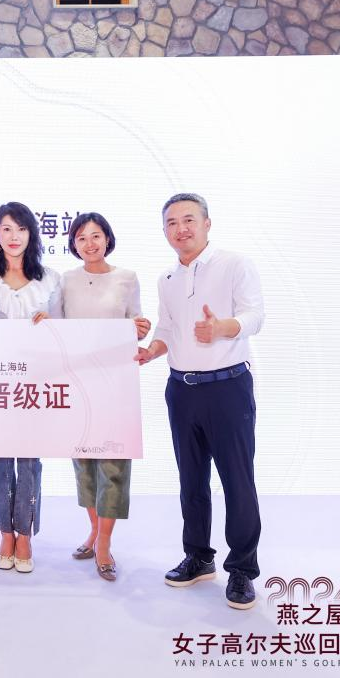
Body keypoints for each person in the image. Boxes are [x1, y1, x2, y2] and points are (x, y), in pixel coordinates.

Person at [134, 193, 265, 609]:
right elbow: (168, 327)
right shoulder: (167, 278)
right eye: (171, 223)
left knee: (237, 480)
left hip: (228, 388)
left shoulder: (234, 264)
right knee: (191, 480)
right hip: (181, 390)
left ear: (207, 223)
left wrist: (224, 327)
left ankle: (241, 569)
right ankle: (198, 557)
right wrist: (152, 350)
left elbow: (255, 315)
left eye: (189, 219)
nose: (181, 229)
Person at [0, 201, 62, 574]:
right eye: (6, 228)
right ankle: (4, 534)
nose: (14, 236)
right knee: (0, 458)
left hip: (36, 382)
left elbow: (65, 331)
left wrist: (51, 321)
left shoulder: (51, 279)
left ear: (31, 234)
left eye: (21, 228)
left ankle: (25, 534)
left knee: (29, 459)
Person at [61, 212, 151, 582]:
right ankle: (94, 531)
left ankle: (104, 544)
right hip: (78, 384)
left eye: (96, 235)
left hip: (116, 383)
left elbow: (137, 325)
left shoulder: (126, 277)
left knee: (113, 464)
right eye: (81, 237)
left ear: (108, 239)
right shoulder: (65, 281)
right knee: (83, 463)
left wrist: (141, 329)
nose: (90, 243)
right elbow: (55, 329)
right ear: (74, 244)